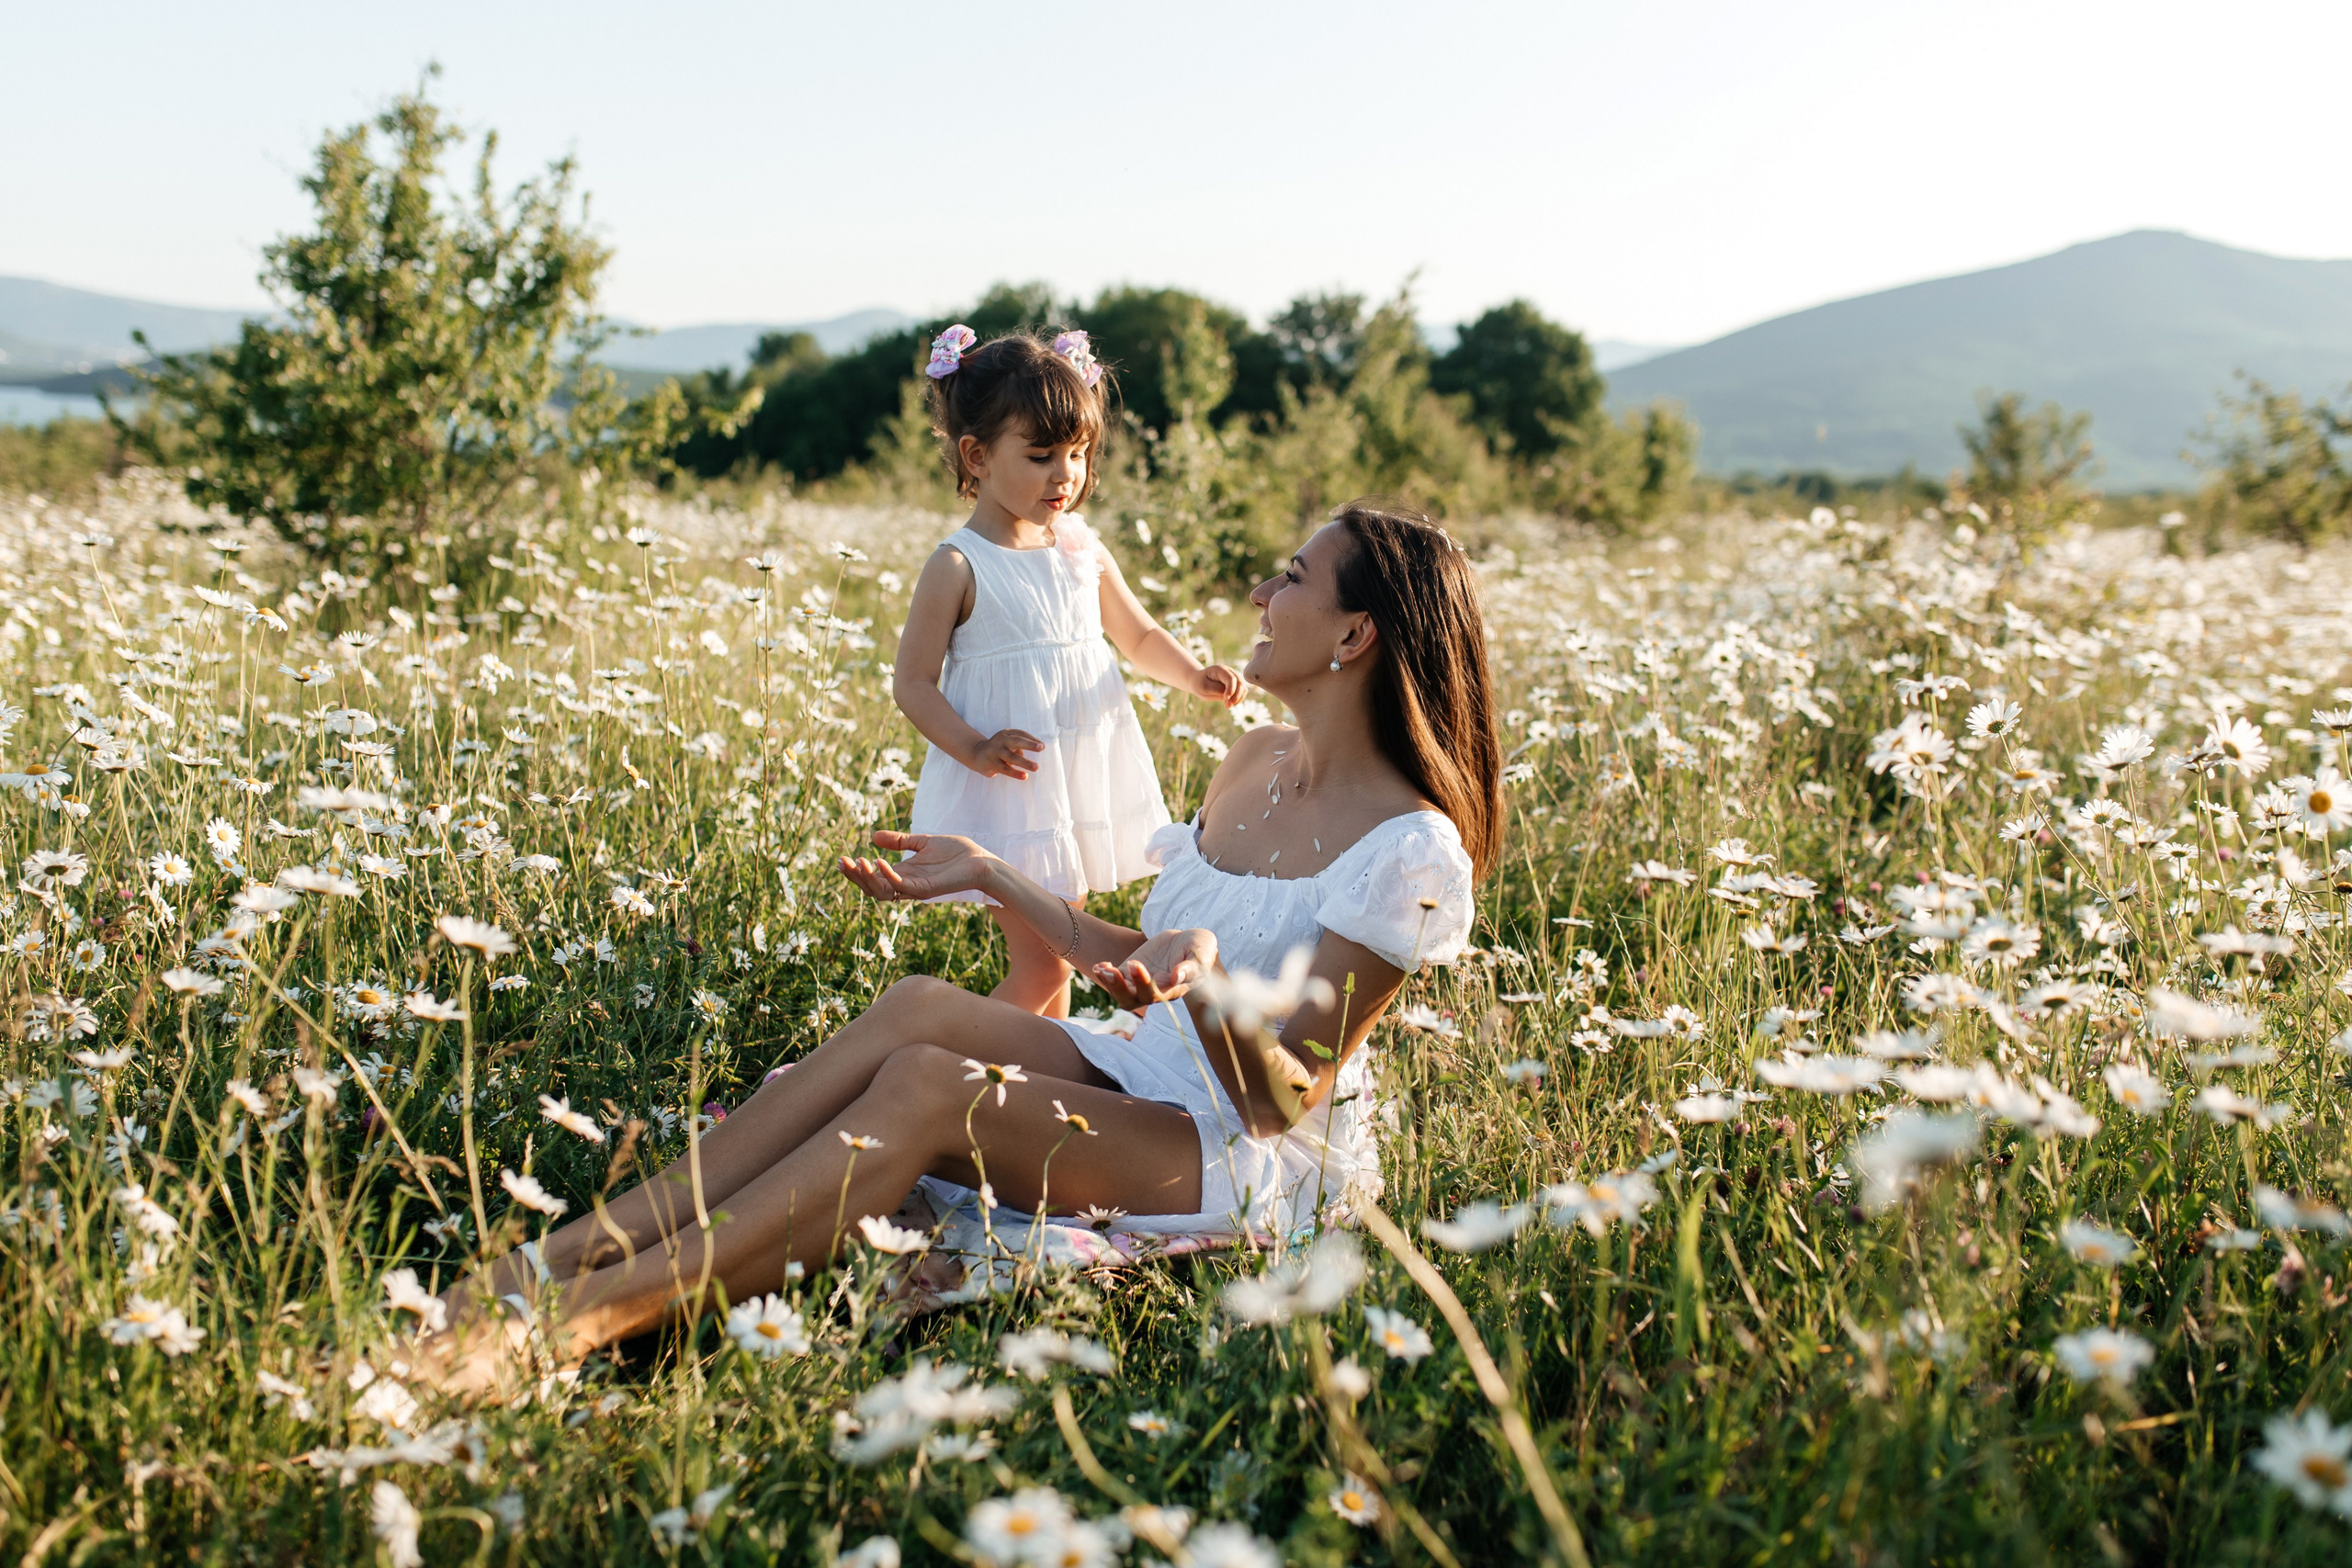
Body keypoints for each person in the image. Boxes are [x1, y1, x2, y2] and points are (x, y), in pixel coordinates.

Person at [425, 502, 1499, 1393]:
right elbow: (1141, 951)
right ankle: (552, 1258)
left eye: (1292, 579)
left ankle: (566, 1328)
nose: (1262, 597)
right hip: (1150, 1066)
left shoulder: (1408, 849)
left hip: (1239, 1151)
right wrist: (996, 874)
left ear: (1353, 635)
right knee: (917, 1007)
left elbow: (1281, 1099)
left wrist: (1207, 982)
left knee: (931, 1089)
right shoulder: (1251, 761)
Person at [893, 324, 1242, 1016]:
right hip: (1015, 794)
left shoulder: (1080, 547)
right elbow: (912, 683)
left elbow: (1136, 634)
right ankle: (941, 1058)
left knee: (1062, 953)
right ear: (977, 455)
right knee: (1047, 968)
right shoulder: (959, 565)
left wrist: (1194, 673)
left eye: (1078, 453)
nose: (1066, 474)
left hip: (1076, 780)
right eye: (1042, 454)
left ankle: (1030, 1079)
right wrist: (975, 747)